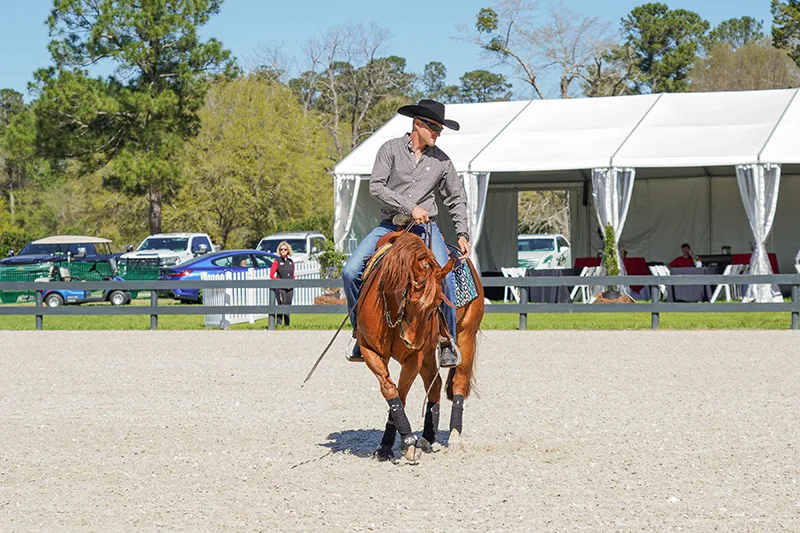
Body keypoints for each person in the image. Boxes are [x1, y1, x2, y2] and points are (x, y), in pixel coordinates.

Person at [341, 99, 470, 368]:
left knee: (444, 279)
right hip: (390, 225)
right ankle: (359, 332)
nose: (438, 133)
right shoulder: (389, 150)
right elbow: (376, 187)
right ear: (418, 124)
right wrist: (410, 207)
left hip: (426, 230)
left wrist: (462, 234)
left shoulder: (442, 162)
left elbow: (456, 199)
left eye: (440, 129)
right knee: (351, 271)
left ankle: (447, 339)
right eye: (434, 127)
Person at [270, 241, 295, 327]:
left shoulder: (291, 262)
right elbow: (271, 275)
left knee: (288, 305)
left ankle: (287, 324)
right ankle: (279, 324)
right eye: (281, 249)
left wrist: (293, 280)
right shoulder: (277, 261)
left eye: (285, 249)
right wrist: (279, 281)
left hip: (290, 287)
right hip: (280, 287)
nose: (283, 251)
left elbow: (293, 274)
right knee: (281, 304)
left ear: (288, 250)